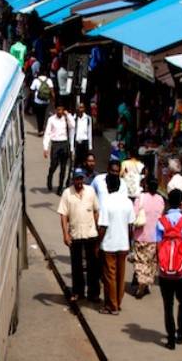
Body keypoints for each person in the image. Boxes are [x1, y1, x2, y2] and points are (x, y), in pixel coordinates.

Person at [155, 188, 182, 349]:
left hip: (165, 270)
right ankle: (181, 334)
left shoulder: (161, 222)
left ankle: (170, 339)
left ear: (168, 203)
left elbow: (158, 246)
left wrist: (158, 266)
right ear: (181, 203)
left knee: (168, 305)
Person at [58, 168, 100, 304]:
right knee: (76, 266)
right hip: (75, 234)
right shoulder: (67, 193)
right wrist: (65, 234)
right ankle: (78, 292)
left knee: (93, 265)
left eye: (81, 179)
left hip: (90, 233)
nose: (79, 182)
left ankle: (93, 294)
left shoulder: (90, 191)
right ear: (73, 179)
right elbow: (63, 215)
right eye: (77, 179)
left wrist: (98, 230)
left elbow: (96, 211)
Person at [96, 173, 134, 315]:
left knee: (110, 276)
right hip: (123, 244)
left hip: (109, 245)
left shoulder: (106, 202)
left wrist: (97, 244)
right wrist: (129, 243)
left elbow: (103, 226)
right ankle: (117, 301)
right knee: (120, 275)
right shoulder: (128, 202)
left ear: (108, 186)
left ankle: (112, 305)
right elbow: (131, 226)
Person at [130, 176, 165, 300]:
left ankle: (141, 283)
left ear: (146, 186)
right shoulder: (160, 199)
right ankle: (146, 282)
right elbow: (161, 217)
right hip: (155, 236)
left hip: (141, 235)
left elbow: (133, 215)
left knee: (140, 261)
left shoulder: (141, 198)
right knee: (151, 262)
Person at [42, 101, 72, 194]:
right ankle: (50, 176)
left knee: (63, 168)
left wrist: (68, 115)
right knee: (54, 165)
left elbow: (73, 125)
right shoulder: (51, 119)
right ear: (55, 110)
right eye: (58, 109)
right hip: (55, 144)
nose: (60, 111)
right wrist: (45, 148)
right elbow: (47, 133)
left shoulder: (66, 118)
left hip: (64, 143)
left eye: (61, 110)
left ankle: (60, 187)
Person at [30, 69, 55, 135]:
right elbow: (52, 92)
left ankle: (40, 130)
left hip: (37, 101)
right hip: (46, 101)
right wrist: (53, 101)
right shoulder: (49, 80)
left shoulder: (35, 80)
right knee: (43, 115)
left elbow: (32, 90)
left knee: (38, 116)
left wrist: (32, 99)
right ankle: (42, 128)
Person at [71, 101, 93, 167]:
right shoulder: (74, 118)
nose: (80, 109)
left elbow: (89, 132)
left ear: (84, 108)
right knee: (76, 162)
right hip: (77, 143)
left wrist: (90, 145)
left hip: (84, 143)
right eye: (79, 107)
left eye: (82, 107)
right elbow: (72, 133)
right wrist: (72, 147)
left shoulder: (88, 118)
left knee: (85, 162)